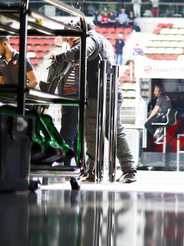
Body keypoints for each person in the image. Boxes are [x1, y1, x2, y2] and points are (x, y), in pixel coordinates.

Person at [53, 21, 136, 182]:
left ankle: (93, 172)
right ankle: (129, 169)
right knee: (114, 131)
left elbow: (81, 51)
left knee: (92, 132)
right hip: (111, 91)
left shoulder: (90, 39)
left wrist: (61, 56)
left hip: (99, 95)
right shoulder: (102, 39)